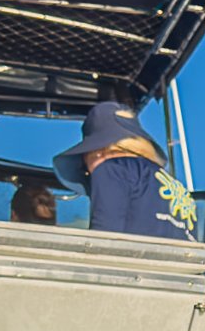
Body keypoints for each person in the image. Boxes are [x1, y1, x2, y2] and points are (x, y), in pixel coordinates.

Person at [53, 102, 196, 241]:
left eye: (85, 168)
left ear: (97, 152)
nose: (89, 173)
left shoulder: (111, 169)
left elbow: (104, 238)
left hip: (134, 264)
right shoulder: (176, 187)